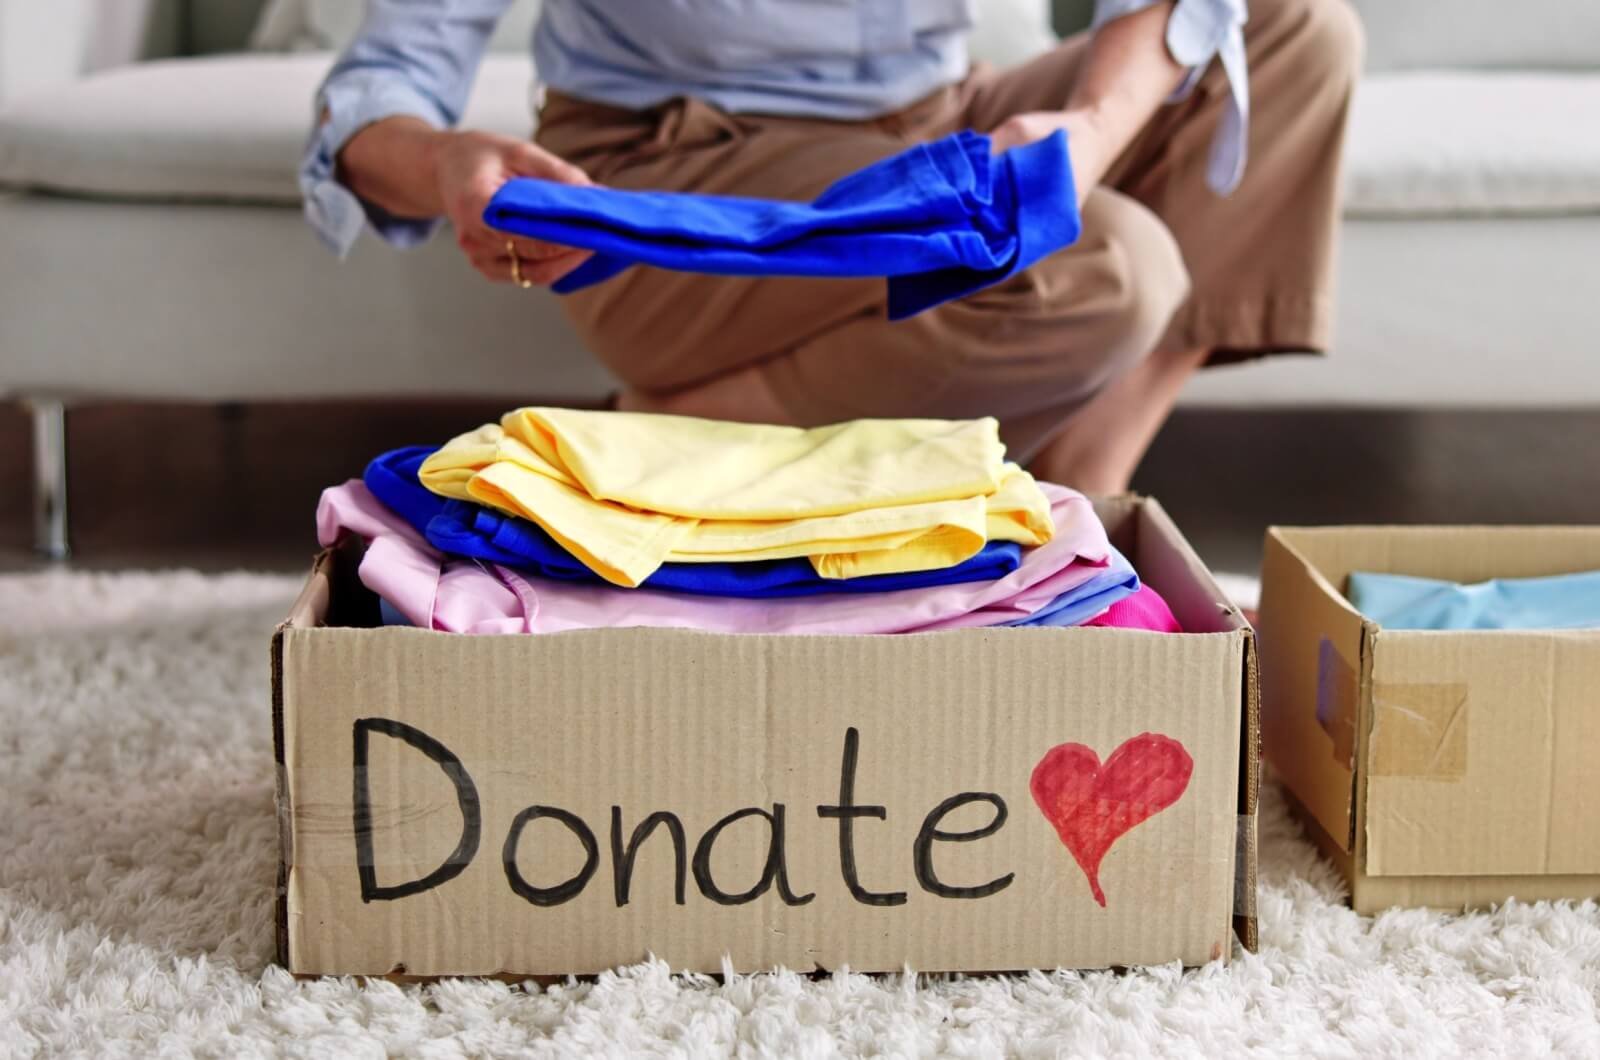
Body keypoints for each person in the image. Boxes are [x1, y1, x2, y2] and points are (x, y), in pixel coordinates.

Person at [303, 0, 1362, 493]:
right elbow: (375, 91)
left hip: (931, 120)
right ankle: (670, 437)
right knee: (1108, 270)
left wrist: (1082, 140)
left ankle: (1090, 483)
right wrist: (446, 159)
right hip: (677, 169)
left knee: (1295, 31)